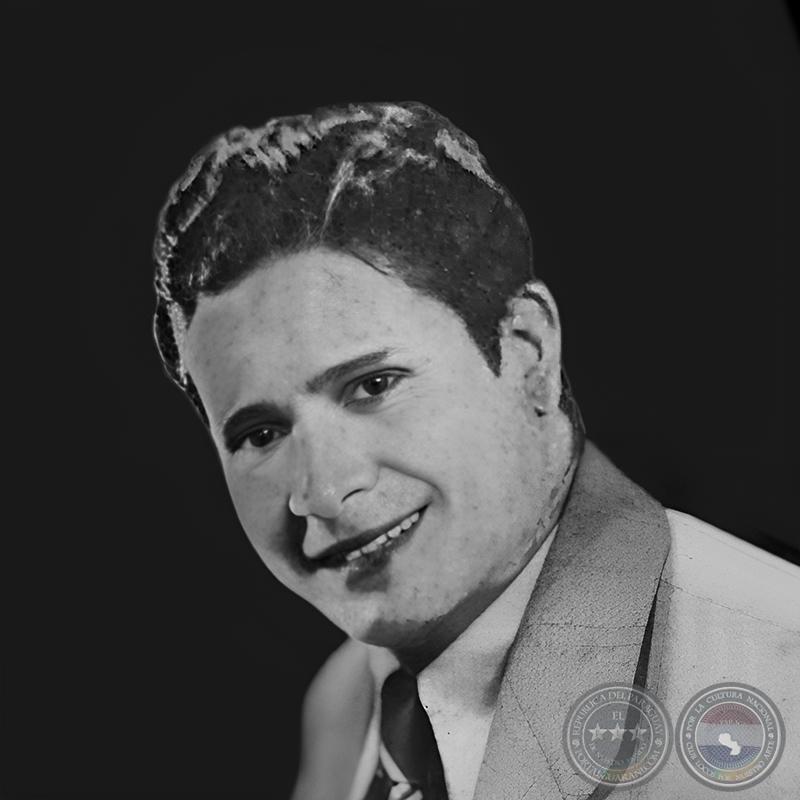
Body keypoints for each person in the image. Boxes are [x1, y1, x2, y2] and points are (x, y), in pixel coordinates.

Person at [152, 102, 799, 800]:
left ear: (527, 352)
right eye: (261, 435)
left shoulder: (774, 671)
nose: (324, 490)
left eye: (373, 386)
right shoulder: (348, 703)